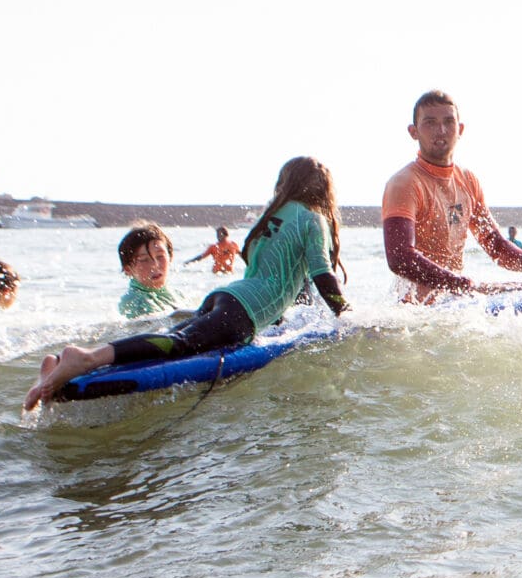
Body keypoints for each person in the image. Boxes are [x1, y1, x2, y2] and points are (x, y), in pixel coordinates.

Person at [24, 158, 348, 409]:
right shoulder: (312, 218)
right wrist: (345, 314)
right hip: (242, 313)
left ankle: (55, 370)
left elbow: (269, 271)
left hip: (226, 297)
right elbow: (322, 273)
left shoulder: (274, 215)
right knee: (176, 344)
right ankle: (88, 358)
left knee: (172, 339)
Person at [380, 90, 522, 302]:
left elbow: (494, 243)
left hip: (452, 299)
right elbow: (399, 258)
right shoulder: (405, 183)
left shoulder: (468, 181)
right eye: (430, 122)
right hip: (412, 312)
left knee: (521, 287)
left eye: (449, 121)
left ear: (460, 129)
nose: (441, 130)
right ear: (413, 132)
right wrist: (468, 286)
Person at [116, 221, 181, 317]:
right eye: (144, 260)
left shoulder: (177, 294)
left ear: (170, 257)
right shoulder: (135, 302)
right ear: (128, 269)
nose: (155, 265)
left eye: (160, 256)